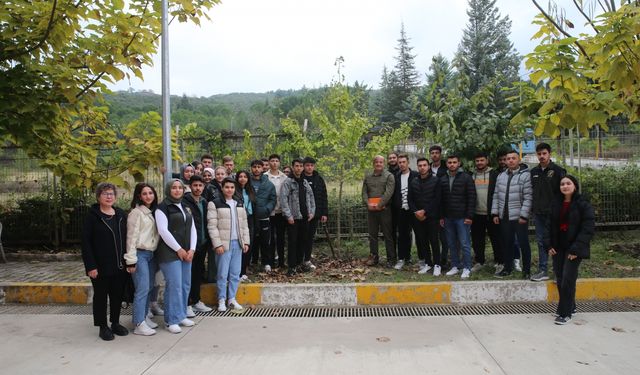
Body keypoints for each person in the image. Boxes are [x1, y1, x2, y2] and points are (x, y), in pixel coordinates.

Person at [81, 182, 129, 341]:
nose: (109, 197)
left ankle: (115, 323)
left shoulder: (121, 214)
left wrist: (130, 261)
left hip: (120, 265)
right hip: (100, 267)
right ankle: (103, 326)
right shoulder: (92, 217)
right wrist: (91, 266)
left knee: (117, 295)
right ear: (98, 196)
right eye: (105, 194)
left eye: (111, 194)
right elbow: (86, 243)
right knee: (101, 296)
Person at [545, 175, 594, 325]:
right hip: (558, 247)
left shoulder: (583, 204)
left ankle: (564, 313)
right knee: (560, 278)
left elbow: (588, 228)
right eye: (562, 184)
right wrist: (549, 245)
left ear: (575, 186)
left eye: (568, 183)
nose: (565, 186)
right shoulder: (555, 203)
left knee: (568, 279)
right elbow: (548, 226)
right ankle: (570, 306)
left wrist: (576, 249)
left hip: (574, 248)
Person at [155, 179, 197, 334]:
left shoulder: (185, 206)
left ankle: (180, 315)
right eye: (174, 188)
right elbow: (163, 231)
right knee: (174, 286)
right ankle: (170, 320)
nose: (177, 190)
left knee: (185, 284)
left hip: (187, 253)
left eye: (180, 188)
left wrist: (192, 249)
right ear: (168, 189)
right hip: (170, 253)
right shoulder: (163, 207)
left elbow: (193, 228)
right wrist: (179, 249)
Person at [207, 177, 251, 312]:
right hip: (223, 245)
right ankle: (221, 299)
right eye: (227, 187)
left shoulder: (239, 203)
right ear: (222, 188)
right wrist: (217, 244)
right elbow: (212, 226)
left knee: (235, 273)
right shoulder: (214, 203)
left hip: (237, 244)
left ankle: (231, 298)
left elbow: (244, 225)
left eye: (232, 187)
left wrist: (246, 242)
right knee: (222, 273)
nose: (229, 190)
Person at [125, 182, 160, 336]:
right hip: (139, 254)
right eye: (144, 193)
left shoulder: (152, 212)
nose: (148, 196)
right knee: (142, 288)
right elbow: (131, 238)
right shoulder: (136, 213)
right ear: (139, 196)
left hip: (151, 255)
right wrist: (130, 260)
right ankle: (139, 323)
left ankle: (144, 316)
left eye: (150, 193)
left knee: (150, 286)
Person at [492, 150, 533, 279]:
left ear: (519, 160)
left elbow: (528, 197)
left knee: (523, 244)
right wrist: (495, 213)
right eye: (508, 158)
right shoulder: (501, 176)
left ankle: (526, 270)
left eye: (513, 158)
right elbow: (496, 195)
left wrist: (524, 215)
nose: (510, 160)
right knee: (507, 243)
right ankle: (507, 268)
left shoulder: (526, 175)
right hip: (504, 217)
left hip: (519, 218)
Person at [530, 142, 566, 282]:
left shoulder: (558, 171)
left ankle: (559, 272)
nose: (542, 156)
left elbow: (564, 191)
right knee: (541, 242)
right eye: (539, 154)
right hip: (539, 214)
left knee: (557, 242)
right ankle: (543, 270)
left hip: (555, 214)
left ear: (549, 154)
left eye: (544, 153)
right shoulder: (534, 172)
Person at [440, 155, 476, 279]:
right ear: (447, 164)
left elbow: (472, 197)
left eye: (454, 162)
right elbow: (441, 200)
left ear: (459, 163)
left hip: (462, 217)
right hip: (448, 217)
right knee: (451, 243)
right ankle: (455, 265)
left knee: (465, 243)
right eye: (449, 162)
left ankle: (467, 267)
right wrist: (442, 216)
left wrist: (469, 216)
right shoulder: (443, 179)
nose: (452, 164)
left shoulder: (466, 177)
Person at [183, 175, 213, 317]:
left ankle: (196, 300)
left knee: (197, 274)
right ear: (190, 186)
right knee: (188, 275)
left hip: (202, 244)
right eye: (195, 185)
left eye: (200, 185)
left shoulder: (204, 202)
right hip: (189, 246)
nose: (198, 188)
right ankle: (187, 303)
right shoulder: (184, 202)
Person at [280, 158, 316, 276]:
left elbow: (311, 197)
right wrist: (288, 215)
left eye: (301, 166)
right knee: (292, 242)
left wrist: (311, 212)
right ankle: (291, 266)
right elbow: (283, 199)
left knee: (303, 241)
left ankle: (300, 263)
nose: (299, 168)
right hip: (293, 218)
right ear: (292, 167)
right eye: (296, 166)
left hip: (305, 217)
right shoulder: (288, 182)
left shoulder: (304, 182)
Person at [408, 158, 442, 276]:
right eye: (420, 165)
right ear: (418, 167)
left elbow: (437, 199)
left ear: (428, 166)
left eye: (424, 165)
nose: (422, 167)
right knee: (423, 241)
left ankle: (437, 264)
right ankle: (428, 263)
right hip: (418, 217)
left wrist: (425, 211)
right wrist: (416, 212)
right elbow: (410, 199)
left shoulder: (435, 180)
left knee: (434, 240)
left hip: (431, 216)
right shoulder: (414, 181)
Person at [362, 155, 396, 267]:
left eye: (381, 162)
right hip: (371, 210)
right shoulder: (367, 177)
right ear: (373, 163)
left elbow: (389, 192)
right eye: (376, 162)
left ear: (384, 163)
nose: (378, 164)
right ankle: (374, 257)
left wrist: (380, 205)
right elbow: (364, 192)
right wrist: (368, 204)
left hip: (384, 210)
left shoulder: (389, 176)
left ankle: (391, 259)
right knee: (372, 235)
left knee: (388, 235)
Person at [470, 152, 501, 273]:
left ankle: (499, 261)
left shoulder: (495, 174)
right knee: (477, 240)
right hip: (476, 213)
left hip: (491, 213)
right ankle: (479, 261)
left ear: (487, 160)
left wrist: (496, 212)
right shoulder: (471, 175)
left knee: (496, 239)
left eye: (482, 160)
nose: (479, 163)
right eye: (477, 161)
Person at [392, 154, 419, 270]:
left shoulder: (415, 176)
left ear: (408, 163)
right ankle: (402, 258)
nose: (401, 164)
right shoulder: (396, 176)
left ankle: (423, 260)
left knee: (420, 235)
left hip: (414, 210)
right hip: (401, 210)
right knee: (402, 235)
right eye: (400, 162)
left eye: (403, 162)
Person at [250, 159, 277, 272]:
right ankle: (253, 262)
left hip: (264, 216)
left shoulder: (268, 184)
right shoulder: (247, 182)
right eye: (254, 167)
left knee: (265, 241)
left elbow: (273, 198)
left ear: (262, 168)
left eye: (258, 167)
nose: (256, 169)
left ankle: (266, 262)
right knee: (252, 240)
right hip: (250, 217)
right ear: (251, 168)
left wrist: (267, 209)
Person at [302, 156, 328, 270]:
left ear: (314, 166)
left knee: (310, 237)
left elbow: (323, 197)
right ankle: (298, 259)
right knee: (301, 237)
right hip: (302, 214)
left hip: (316, 214)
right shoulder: (300, 178)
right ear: (304, 166)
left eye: (311, 165)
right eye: (307, 165)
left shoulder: (319, 179)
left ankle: (307, 259)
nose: (309, 167)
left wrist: (324, 213)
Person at [266, 154, 288, 269]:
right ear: (269, 163)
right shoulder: (264, 176)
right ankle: (270, 262)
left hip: (281, 212)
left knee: (281, 238)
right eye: (272, 161)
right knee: (270, 238)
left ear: (279, 163)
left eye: (276, 161)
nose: (274, 163)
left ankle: (281, 261)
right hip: (269, 212)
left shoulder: (284, 177)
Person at [236, 170, 256, 281]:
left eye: (245, 176)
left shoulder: (250, 190)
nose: (242, 178)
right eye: (240, 176)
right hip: (239, 219)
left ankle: (243, 271)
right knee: (239, 245)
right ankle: (237, 272)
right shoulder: (234, 190)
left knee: (249, 244)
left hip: (250, 219)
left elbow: (254, 206)